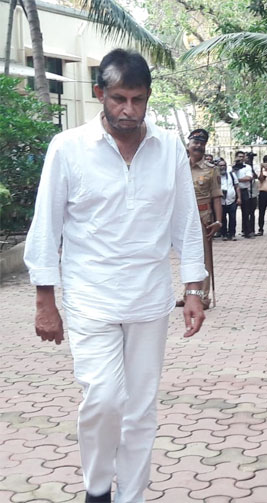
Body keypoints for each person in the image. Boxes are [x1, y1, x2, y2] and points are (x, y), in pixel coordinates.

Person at [23, 49, 207, 503]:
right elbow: (46, 224)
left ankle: (131, 497)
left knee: (140, 408)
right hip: (90, 297)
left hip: (150, 298)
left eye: (138, 100)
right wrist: (45, 299)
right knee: (103, 399)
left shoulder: (168, 150)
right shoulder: (67, 148)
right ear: (100, 94)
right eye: (119, 99)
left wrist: (194, 287)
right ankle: (98, 488)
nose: (129, 110)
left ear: (149, 97)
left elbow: (186, 221)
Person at [178, 129, 222, 310]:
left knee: (204, 258)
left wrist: (218, 221)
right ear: (188, 145)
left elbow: (217, 197)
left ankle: (203, 297)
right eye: (195, 143)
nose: (198, 146)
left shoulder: (211, 170)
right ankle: (188, 295)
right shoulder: (179, 167)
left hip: (203, 216)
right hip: (183, 216)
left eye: (201, 144)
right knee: (185, 256)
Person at [233, 151, 256, 238]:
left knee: (246, 212)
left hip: (244, 190)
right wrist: (235, 167)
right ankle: (231, 232)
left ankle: (247, 232)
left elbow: (249, 178)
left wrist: (236, 180)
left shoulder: (247, 167)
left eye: (242, 156)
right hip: (233, 190)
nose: (241, 158)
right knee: (232, 212)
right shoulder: (231, 167)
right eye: (239, 156)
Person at [219, 157, 241, 241]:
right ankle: (224, 234)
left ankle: (232, 234)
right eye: (220, 166)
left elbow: (237, 186)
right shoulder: (216, 175)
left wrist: (239, 198)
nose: (222, 167)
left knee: (232, 218)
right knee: (222, 218)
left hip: (231, 200)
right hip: (221, 201)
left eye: (224, 165)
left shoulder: (231, 174)